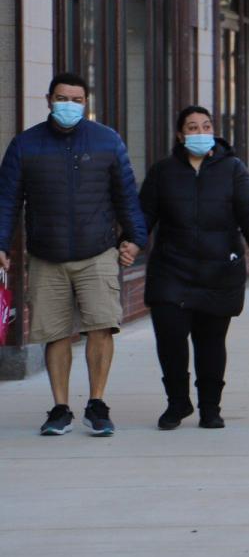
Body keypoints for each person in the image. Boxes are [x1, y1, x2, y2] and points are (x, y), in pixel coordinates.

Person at [0, 72, 147, 436]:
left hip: (96, 253)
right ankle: (60, 408)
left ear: (87, 103)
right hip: (47, 255)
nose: (69, 105)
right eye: (62, 98)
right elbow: (7, 200)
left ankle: (97, 404)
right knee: (56, 333)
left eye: (77, 100)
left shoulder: (107, 141)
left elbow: (125, 195)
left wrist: (135, 237)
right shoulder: (25, 145)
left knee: (101, 327)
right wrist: (1, 243)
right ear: (48, 99)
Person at [139, 106, 249, 430]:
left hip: (217, 271)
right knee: (170, 339)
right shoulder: (163, 172)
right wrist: (130, 241)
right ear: (181, 135)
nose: (200, 132)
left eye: (205, 126)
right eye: (192, 127)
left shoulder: (233, 170)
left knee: (210, 343)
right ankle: (178, 403)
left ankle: (210, 408)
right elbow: (143, 215)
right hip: (171, 270)